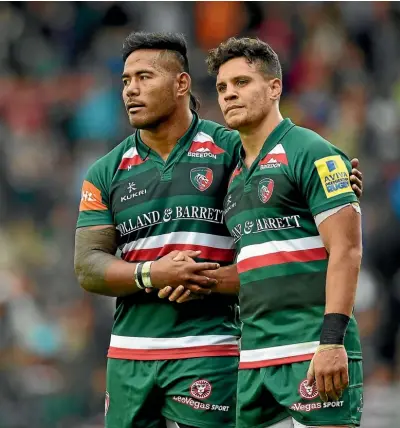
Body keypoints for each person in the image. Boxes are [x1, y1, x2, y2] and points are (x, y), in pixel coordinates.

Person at [74, 31, 364, 428]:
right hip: (133, 352)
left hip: (215, 348)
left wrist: (339, 176)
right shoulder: (105, 171)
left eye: (144, 77)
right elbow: (87, 265)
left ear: (181, 84)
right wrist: (153, 273)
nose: (131, 90)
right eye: (126, 81)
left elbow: (304, 166)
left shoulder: (232, 147)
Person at [203, 37, 364, 428]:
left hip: (312, 352)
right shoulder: (234, 176)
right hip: (255, 359)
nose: (229, 95)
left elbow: (347, 250)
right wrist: (192, 279)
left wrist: (331, 342)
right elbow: (257, 268)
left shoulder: (312, 151)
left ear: (274, 87)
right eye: (223, 87)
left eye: (242, 83)